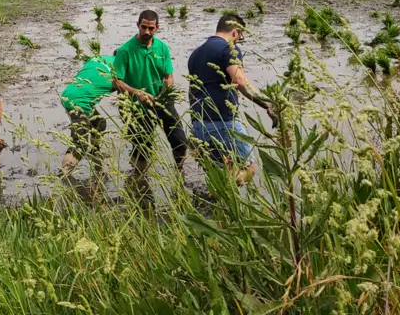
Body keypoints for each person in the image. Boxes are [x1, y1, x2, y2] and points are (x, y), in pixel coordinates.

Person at [187, 12, 276, 185]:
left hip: (199, 123)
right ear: (235, 32)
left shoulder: (196, 54)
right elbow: (240, 81)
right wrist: (267, 104)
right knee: (249, 168)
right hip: (224, 122)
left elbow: (191, 91)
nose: (237, 42)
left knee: (219, 171)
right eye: (239, 38)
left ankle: (217, 205)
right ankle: (230, 197)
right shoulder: (229, 48)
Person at [108, 10, 187, 175]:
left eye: (151, 28)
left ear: (157, 28)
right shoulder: (125, 50)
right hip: (137, 105)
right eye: (143, 27)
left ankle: (180, 172)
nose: (147, 32)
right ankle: (139, 178)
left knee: (180, 140)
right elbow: (116, 82)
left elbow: (169, 76)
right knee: (143, 147)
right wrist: (138, 93)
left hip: (161, 100)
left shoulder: (162, 48)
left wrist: (165, 91)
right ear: (138, 25)